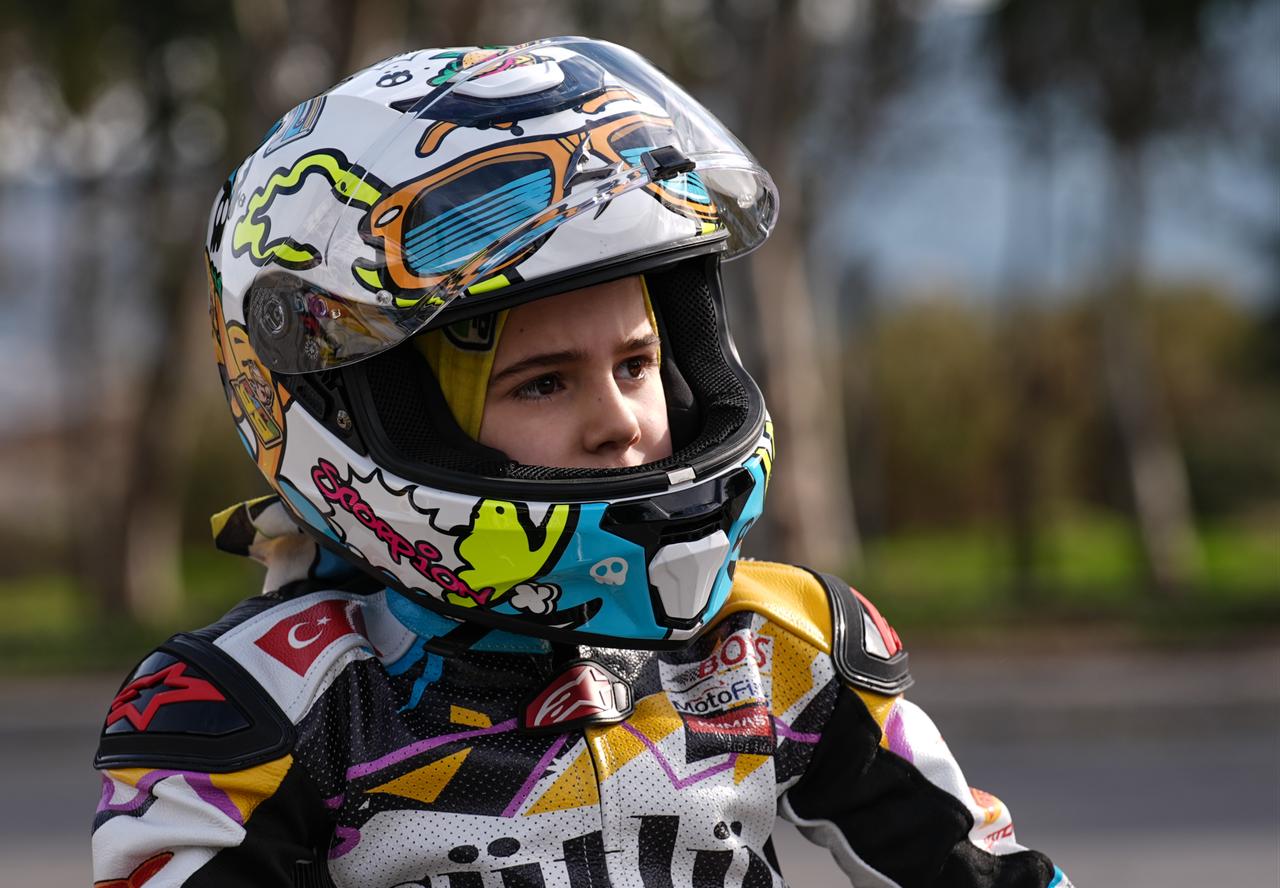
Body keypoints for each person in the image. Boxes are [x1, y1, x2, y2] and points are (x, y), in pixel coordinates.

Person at [91, 39, 1073, 888]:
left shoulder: (770, 644)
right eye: (545, 384)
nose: (618, 422)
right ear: (363, 414)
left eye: (637, 364)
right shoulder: (271, 705)